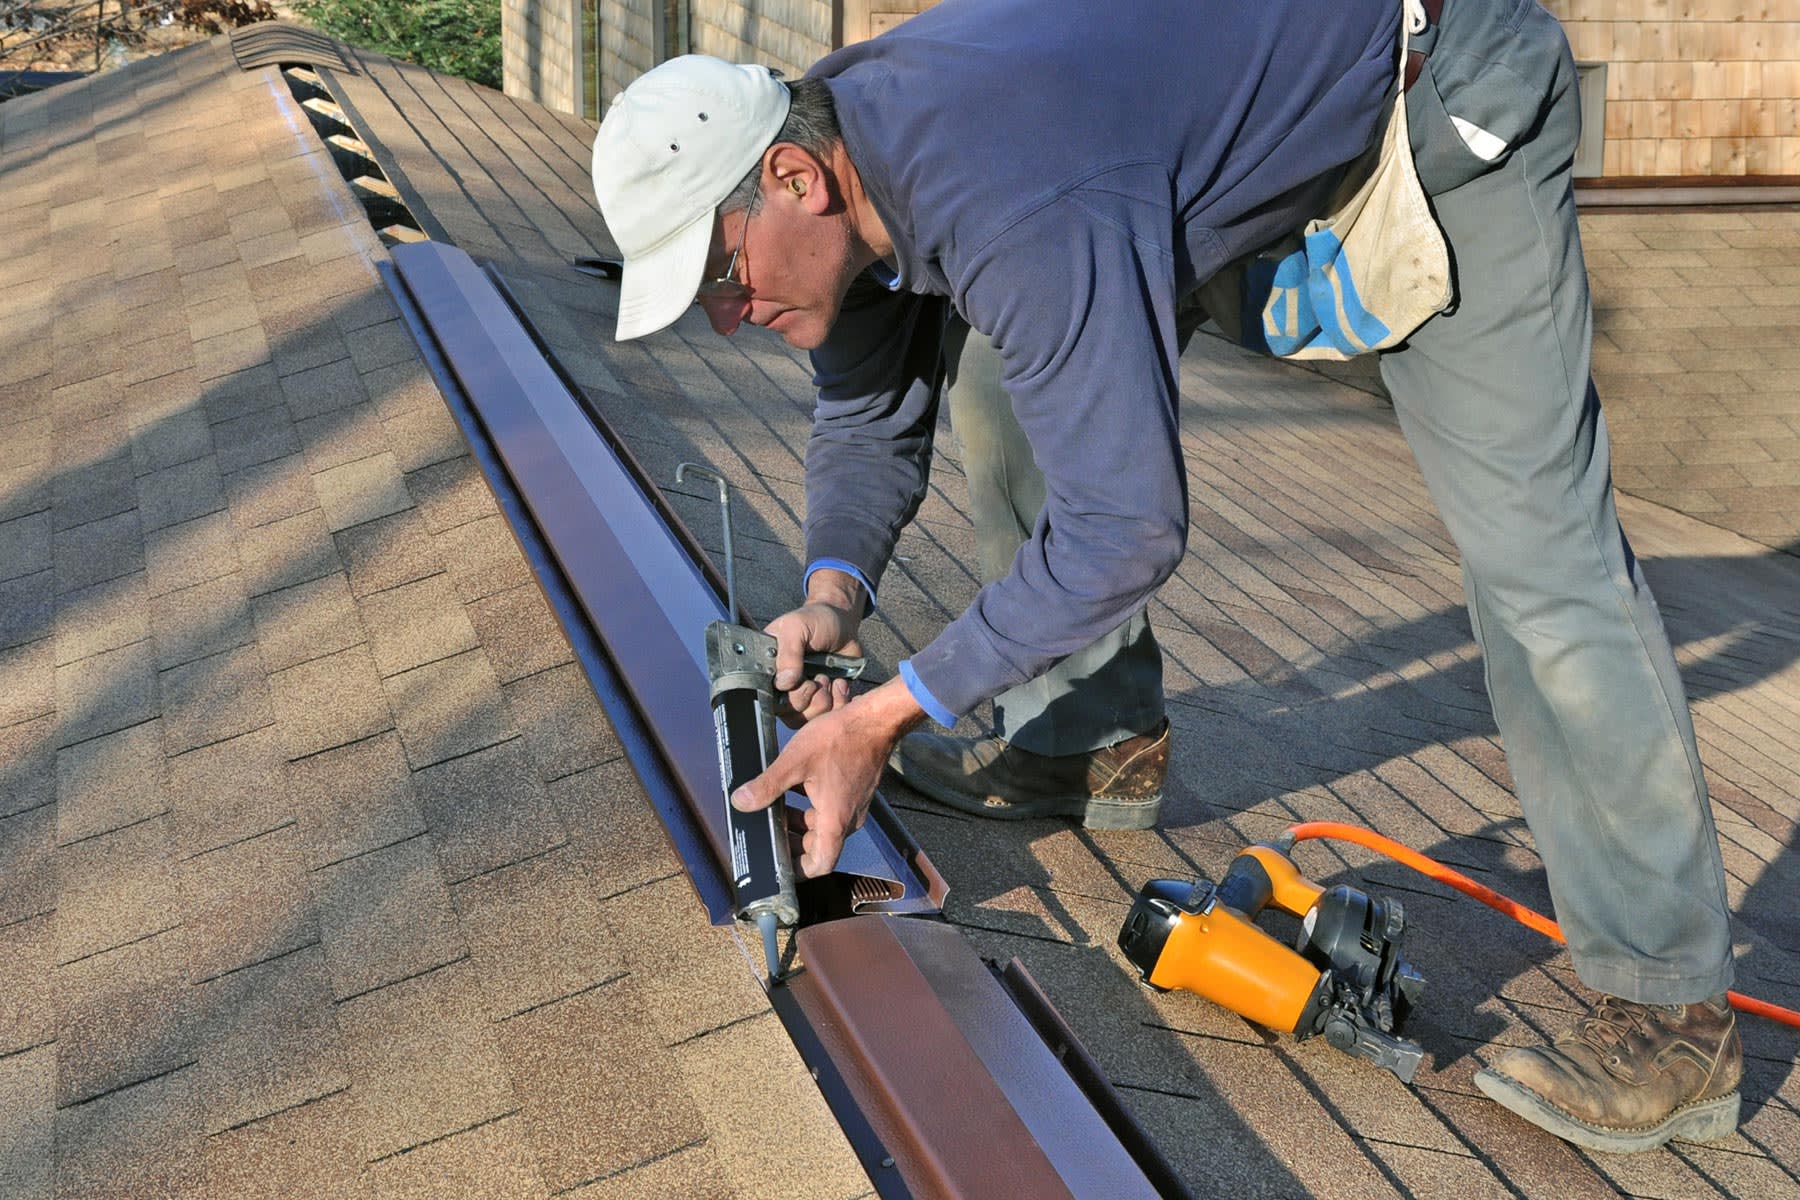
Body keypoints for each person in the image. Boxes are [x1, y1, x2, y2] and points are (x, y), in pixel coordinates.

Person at [589, 0, 1742, 1154]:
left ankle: (1671, 1009)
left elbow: (1126, 528)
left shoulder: (1010, 187)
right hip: (1170, 146)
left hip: (1429, 98)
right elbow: (865, 406)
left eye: (719, 274)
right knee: (1007, 379)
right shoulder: (847, 135)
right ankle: (1088, 743)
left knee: (1538, 558)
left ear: (795, 178)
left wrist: (891, 712)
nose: (728, 317)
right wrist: (831, 601)